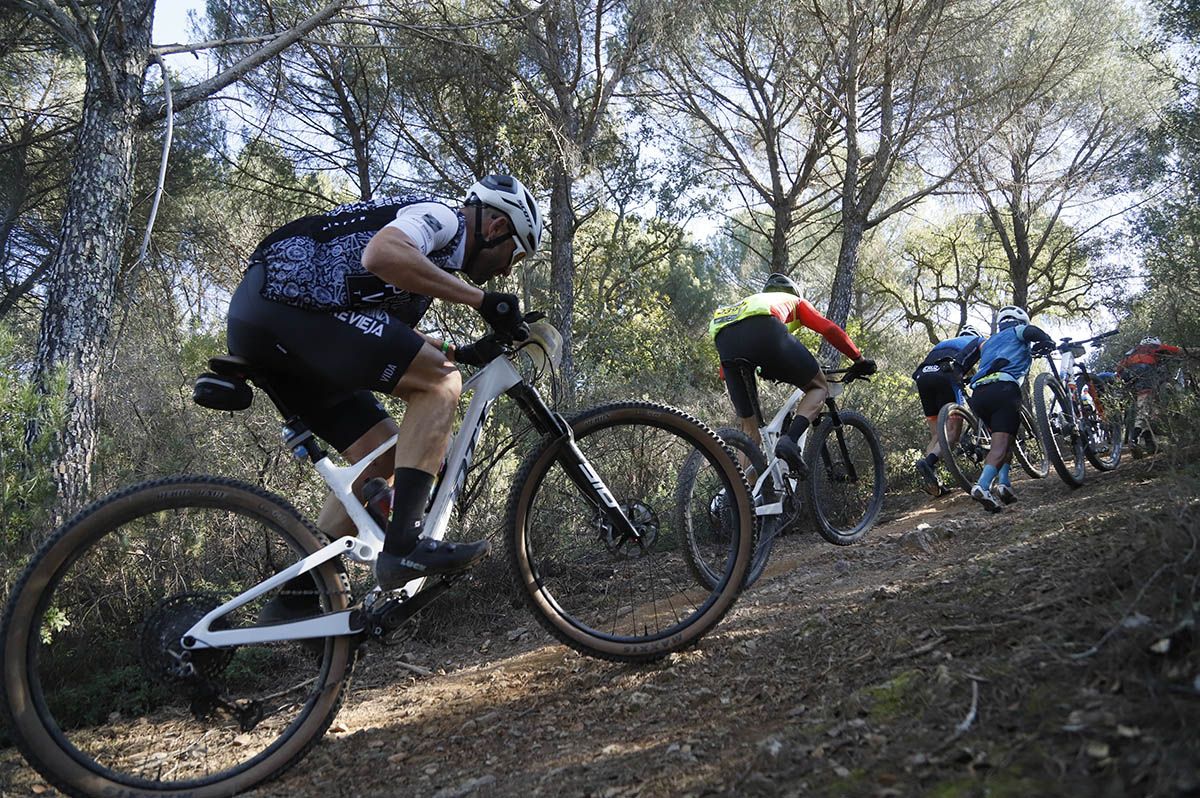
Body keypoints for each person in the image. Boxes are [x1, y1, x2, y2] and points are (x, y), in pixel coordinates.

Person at [226, 175, 542, 596]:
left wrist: (459, 349)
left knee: (386, 455)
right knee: (441, 382)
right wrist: (482, 302)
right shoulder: (443, 218)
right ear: (497, 228)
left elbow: (375, 327)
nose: (505, 269)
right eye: (512, 255)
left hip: (283, 323)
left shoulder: (432, 263)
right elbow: (383, 253)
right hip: (285, 308)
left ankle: (299, 600)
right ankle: (405, 545)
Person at [708, 273, 876, 478]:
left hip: (724, 341)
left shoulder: (747, 305)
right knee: (818, 387)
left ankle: (744, 498)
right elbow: (828, 328)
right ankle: (789, 440)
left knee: (749, 432)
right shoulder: (794, 301)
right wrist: (858, 359)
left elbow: (724, 372)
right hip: (766, 330)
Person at [965, 305, 1053, 512]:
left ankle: (1004, 485)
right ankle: (983, 486)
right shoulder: (1017, 330)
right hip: (1004, 388)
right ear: (1021, 320)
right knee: (1001, 444)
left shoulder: (988, 342)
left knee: (1004, 441)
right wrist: (1046, 340)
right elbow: (1031, 332)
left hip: (979, 394)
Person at [912, 323, 986, 496]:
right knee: (952, 434)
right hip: (945, 377)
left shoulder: (945, 343)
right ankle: (928, 462)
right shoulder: (978, 340)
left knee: (937, 436)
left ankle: (934, 485)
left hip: (923, 377)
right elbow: (987, 360)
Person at [1116, 336, 1185, 455]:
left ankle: (1149, 443)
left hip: (1125, 376)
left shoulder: (1132, 351)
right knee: (1145, 407)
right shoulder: (1155, 347)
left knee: (1148, 408)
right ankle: (1134, 438)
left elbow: (1118, 369)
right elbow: (1178, 351)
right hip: (1144, 372)